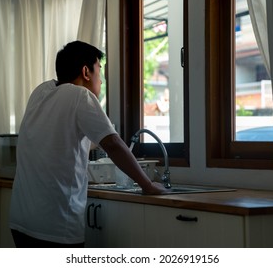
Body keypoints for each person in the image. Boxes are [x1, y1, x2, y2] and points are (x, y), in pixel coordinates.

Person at [9, 41, 167, 248]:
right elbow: (113, 145)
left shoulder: (41, 92)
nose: (101, 81)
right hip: (55, 225)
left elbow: (67, 139)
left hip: (21, 220)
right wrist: (148, 185)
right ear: (86, 72)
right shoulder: (80, 96)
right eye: (99, 71)